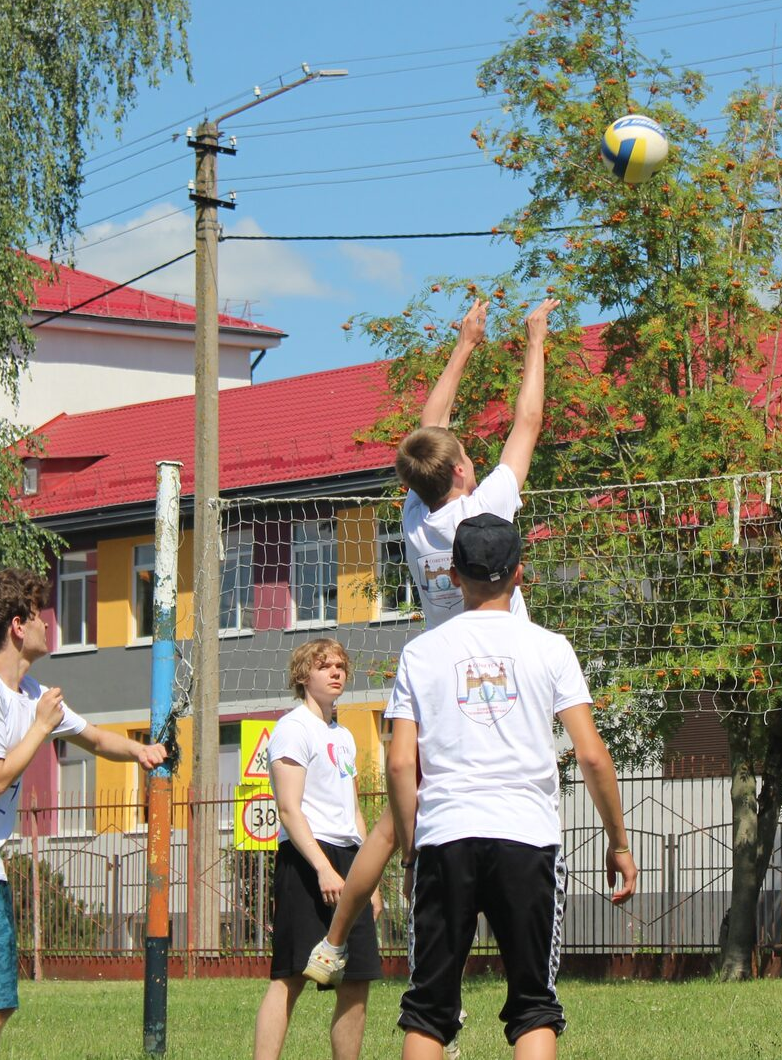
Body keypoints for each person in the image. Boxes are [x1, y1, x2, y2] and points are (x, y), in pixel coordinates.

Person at [303, 296, 559, 990]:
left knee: (398, 823)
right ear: (464, 474)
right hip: (496, 675)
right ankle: (504, 965)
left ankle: (334, 939)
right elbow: (528, 422)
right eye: (467, 456)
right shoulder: (484, 512)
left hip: (439, 677)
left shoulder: (416, 518)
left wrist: (466, 344)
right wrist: (535, 340)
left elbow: (429, 429)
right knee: (508, 806)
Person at [385, 513, 638, 1060]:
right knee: (533, 1006)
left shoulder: (420, 653)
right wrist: (618, 843)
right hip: (527, 836)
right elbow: (592, 755)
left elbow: (401, 764)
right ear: (520, 572)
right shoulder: (550, 647)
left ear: (453, 575)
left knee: (428, 1009)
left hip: (445, 836)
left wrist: (410, 855)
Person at [0, 568, 165, 1060]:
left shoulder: (29, 693)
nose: (47, 622)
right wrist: (40, 727)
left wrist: (141, 751)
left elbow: (95, 738)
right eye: (36, 614)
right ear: (16, 626)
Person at [251, 640, 383, 1060]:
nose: (336, 672)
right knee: (291, 976)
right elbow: (289, 810)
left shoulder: (344, 736)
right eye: (325, 666)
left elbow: (354, 811)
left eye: (341, 665)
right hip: (307, 858)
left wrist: (371, 881)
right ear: (303, 675)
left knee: (357, 978)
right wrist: (323, 868)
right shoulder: (293, 728)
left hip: (350, 858)